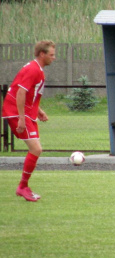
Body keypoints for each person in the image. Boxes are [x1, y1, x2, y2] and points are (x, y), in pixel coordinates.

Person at [1, 40, 56, 202]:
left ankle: (24, 186)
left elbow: (29, 93)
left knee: (36, 149)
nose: (54, 58)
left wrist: (38, 111)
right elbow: (20, 93)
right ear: (42, 54)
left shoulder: (37, 69)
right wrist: (22, 118)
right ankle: (22, 187)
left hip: (26, 113)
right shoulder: (34, 70)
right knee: (36, 149)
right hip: (17, 113)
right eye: (51, 55)